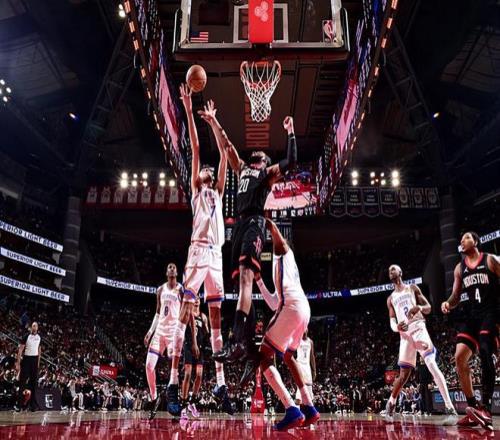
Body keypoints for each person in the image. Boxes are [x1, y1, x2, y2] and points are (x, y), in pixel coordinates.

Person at [209, 115, 298, 368]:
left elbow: (291, 161)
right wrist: (214, 121)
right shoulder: (242, 168)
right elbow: (226, 145)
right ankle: (248, 347)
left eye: (261, 153)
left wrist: (290, 131)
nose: (257, 151)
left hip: (255, 223)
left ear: (265, 161)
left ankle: (236, 340)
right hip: (239, 226)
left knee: (247, 278)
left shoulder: (266, 173)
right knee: (241, 286)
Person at [168, 85, 232, 416]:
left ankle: (220, 383)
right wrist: (188, 106)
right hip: (197, 251)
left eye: (208, 169)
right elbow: (194, 146)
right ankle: (172, 381)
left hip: (216, 255)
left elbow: (223, 154)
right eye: (203, 169)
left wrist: (214, 122)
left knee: (217, 317)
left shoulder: (218, 191)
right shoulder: (197, 190)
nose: (207, 168)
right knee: (186, 312)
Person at [254, 219, 319, 431]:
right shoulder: (283, 267)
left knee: (263, 356)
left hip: (291, 307)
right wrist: (258, 279)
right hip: (302, 309)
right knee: (289, 356)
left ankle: (291, 408)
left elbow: (275, 231)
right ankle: (309, 406)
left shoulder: (283, 252)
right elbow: (274, 302)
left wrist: (263, 220)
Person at [441, 231, 500, 431]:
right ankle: (473, 408)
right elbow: (456, 296)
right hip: (471, 316)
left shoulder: (490, 260)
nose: (462, 241)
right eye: (460, 239)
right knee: (459, 358)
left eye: (466, 237)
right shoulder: (460, 268)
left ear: (475, 241)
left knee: (484, 350)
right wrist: (448, 303)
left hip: (490, 314)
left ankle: (486, 409)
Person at [385, 264, 457, 424]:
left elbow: (428, 307)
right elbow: (391, 320)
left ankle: (450, 407)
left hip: (418, 328)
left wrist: (418, 307)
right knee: (403, 376)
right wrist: (396, 328)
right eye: (389, 270)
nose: (391, 271)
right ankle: (391, 402)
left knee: (431, 364)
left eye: (394, 268)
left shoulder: (412, 288)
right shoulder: (390, 298)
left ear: (400, 272)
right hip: (405, 335)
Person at [144, 262, 183, 420]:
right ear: (167, 272)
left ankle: (174, 401)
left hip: (173, 332)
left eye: (174, 267)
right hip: (160, 331)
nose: (172, 268)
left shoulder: (181, 289)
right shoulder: (160, 289)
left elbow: (185, 312)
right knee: (149, 366)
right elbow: (157, 313)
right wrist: (150, 332)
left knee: (174, 369)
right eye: (169, 267)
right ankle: (154, 398)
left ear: (177, 272)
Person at [180, 299, 208, 419]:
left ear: (200, 302)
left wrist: (207, 329)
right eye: (194, 298)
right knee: (187, 374)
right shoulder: (188, 313)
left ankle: (192, 402)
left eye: (198, 299)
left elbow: (206, 333)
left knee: (199, 375)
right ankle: (183, 405)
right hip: (188, 346)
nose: (196, 300)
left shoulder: (203, 316)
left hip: (200, 348)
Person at [15, 321, 41, 412]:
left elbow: (39, 350)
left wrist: (38, 363)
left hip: (34, 360)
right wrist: (18, 363)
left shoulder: (39, 337)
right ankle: (19, 405)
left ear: (37, 328)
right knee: (22, 383)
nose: (34, 327)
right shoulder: (26, 336)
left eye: (36, 326)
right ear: (31, 327)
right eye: (33, 326)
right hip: (26, 359)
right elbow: (20, 350)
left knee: (33, 384)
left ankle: (32, 406)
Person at [294, 330, 316, 405]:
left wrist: (314, 370)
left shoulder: (310, 342)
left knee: (310, 392)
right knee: (300, 388)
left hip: (307, 367)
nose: (304, 330)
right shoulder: (297, 340)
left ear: (307, 329)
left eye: (305, 328)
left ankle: (309, 408)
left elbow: (312, 357)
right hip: (299, 365)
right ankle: (297, 408)